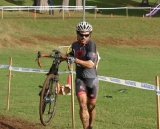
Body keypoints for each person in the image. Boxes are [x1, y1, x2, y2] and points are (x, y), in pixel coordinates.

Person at [67, 21, 99, 129]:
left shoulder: (91, 45)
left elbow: (90, 64)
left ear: (90, 35)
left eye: (86, 35)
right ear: (77, 34)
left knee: (91, 107)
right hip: (80, 80)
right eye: (81, 34)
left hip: (92, 80)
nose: (83, 37)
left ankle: (90, 125)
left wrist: (75, 60)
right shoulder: (74, 45)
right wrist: (69, 61)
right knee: (82, 105)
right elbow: (70, 56)